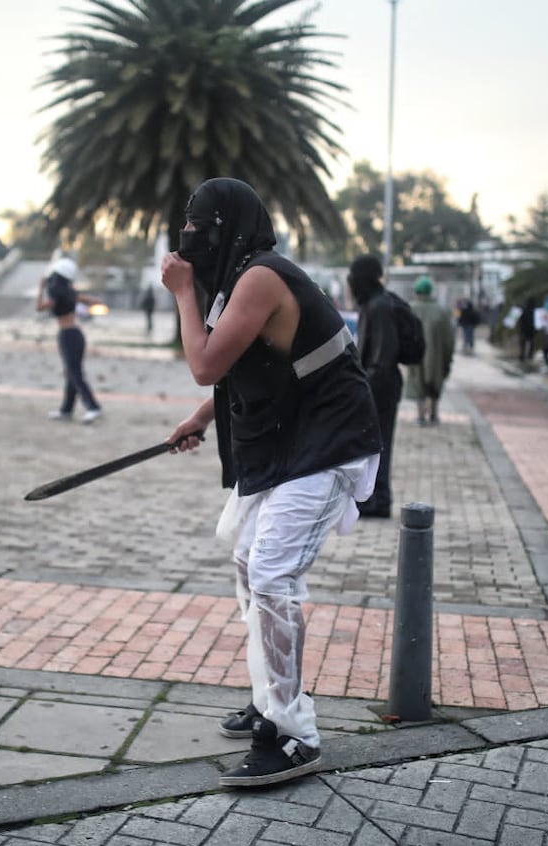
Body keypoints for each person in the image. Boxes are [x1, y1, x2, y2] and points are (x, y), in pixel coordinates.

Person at [160, 178, 381, 788]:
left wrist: (181, 292)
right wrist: (201, 418)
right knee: (247, 560)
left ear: (228, 226)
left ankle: (295, 734)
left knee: (273, 572)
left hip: (330, 443)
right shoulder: (238, 280)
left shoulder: (260, 277)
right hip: (294, 442)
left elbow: (205, 361)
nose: (188, 235)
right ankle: (270, 698)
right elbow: (240, 369)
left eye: (199, 223)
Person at [346, 253, 401, 519]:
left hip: (381, 390)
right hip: (375, 388)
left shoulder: (379, 307)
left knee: (379, 446)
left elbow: (382, 358)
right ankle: (372, 498)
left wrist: (364, 390)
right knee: (372, 445)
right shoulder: (372, 305)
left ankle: (378, 500)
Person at [37, 257, 102, 424]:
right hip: (77, 334)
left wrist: (40, 289)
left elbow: (40, 307)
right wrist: (95, 301)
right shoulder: (70, 291)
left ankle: (93, 407)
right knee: (71, 372)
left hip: (67, 335)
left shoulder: (55, 291)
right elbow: (87, 299)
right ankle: (66, 410)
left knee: (74, 373)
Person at [405, 276, 454, 425]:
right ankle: (434, 414)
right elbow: (449, 338)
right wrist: (448, 356)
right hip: (437, 354)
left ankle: (420, 416)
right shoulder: (442, 311)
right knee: (436, 383)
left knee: (417, 383)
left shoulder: (410, 309)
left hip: (416, 355)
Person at [518, 296, 538, 366]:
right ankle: (529, 356)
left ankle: (523, 356)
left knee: (523, 344)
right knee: (530, 343)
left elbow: (520, 319)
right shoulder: (534, 310)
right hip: (531, 330)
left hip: (524, 330)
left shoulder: (524, 309)